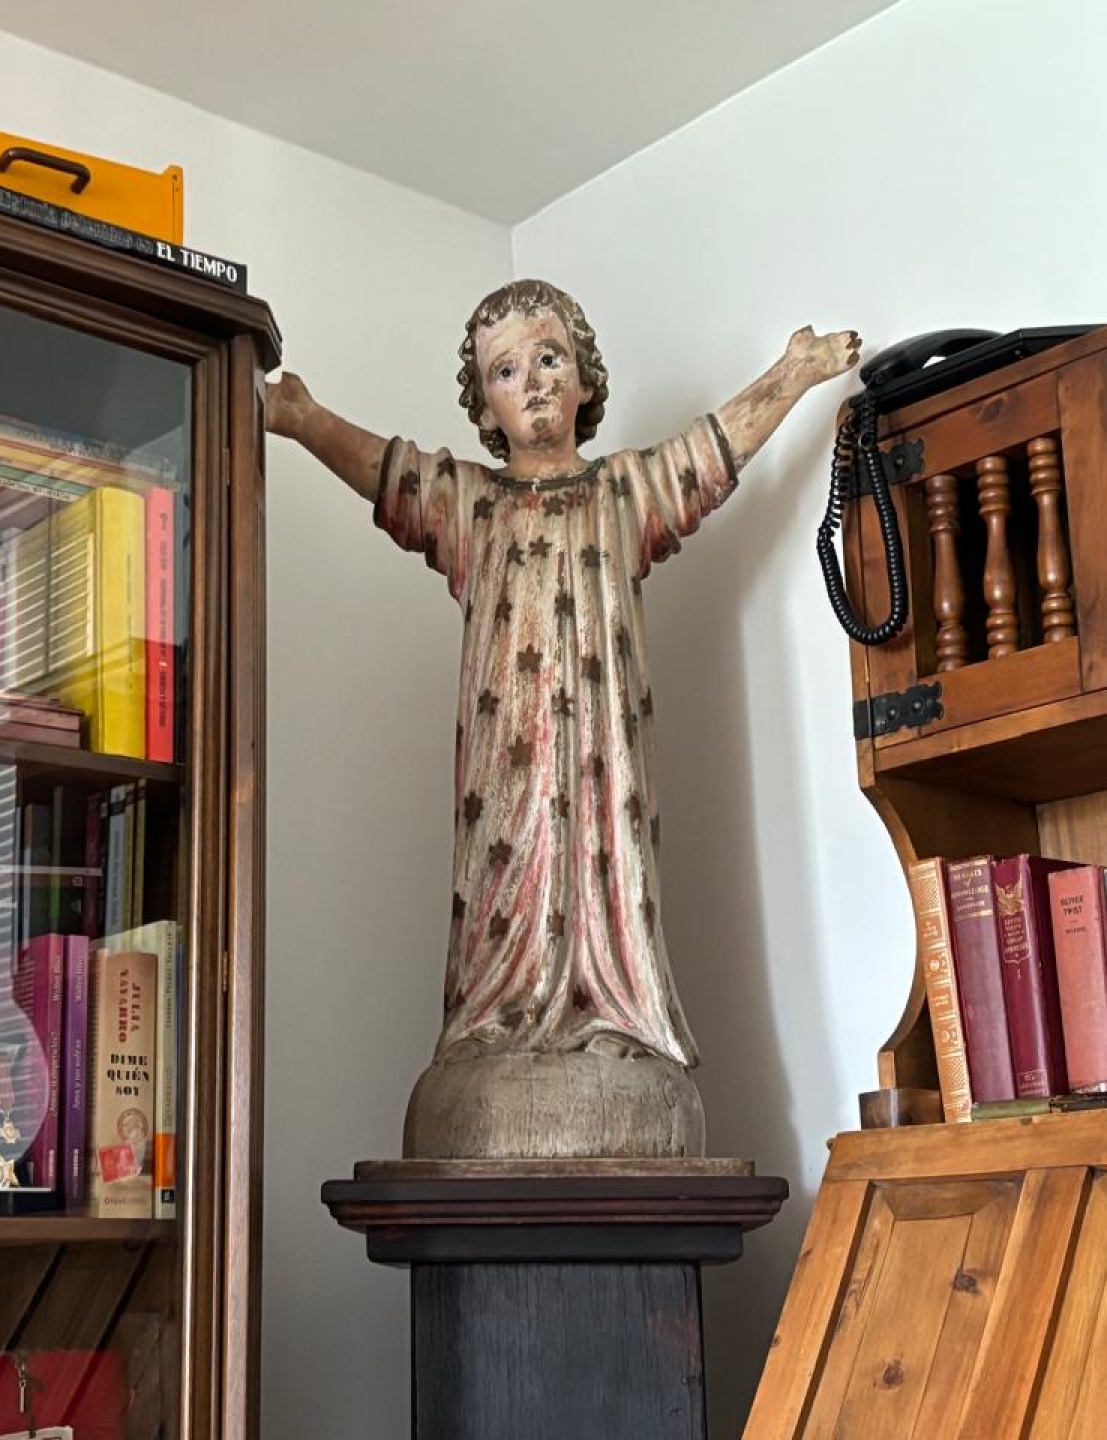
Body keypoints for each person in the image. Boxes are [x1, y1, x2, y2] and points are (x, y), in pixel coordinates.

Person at [266, 280, 858, 1157]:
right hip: (506, 759)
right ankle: (499, 1019)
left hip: (605, 755)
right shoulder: (472, 504)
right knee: (504, 869)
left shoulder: (624, 491)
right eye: (506, 371)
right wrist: (306, 419)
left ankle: (616, 1014)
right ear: (485, 405)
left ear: (585, 379)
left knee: (607, 856)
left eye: (549, 358)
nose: (534, 381)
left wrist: (792, 374)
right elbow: (391, 473)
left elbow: (710, 451)